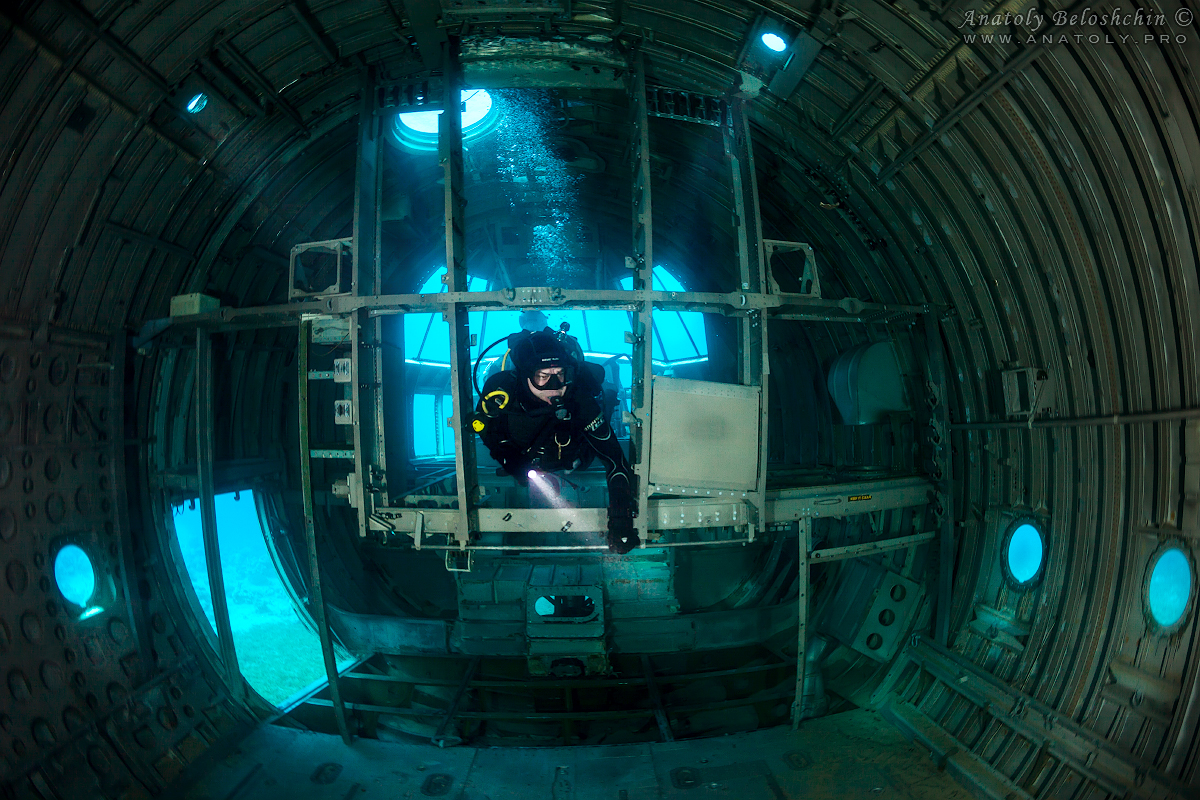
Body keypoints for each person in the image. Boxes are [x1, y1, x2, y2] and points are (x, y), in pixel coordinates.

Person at [471, 327, 640, 554]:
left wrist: (621, 516)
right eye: (542, 377)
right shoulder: (501, 392)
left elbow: (614, 459)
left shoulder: (578, 399)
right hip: (527, 458)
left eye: (559, 374)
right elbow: (485, 428)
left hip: (575, 457)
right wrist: (505, 455)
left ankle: (607, 403)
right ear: (524, 375)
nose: (555, 387)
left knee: (590, 444)